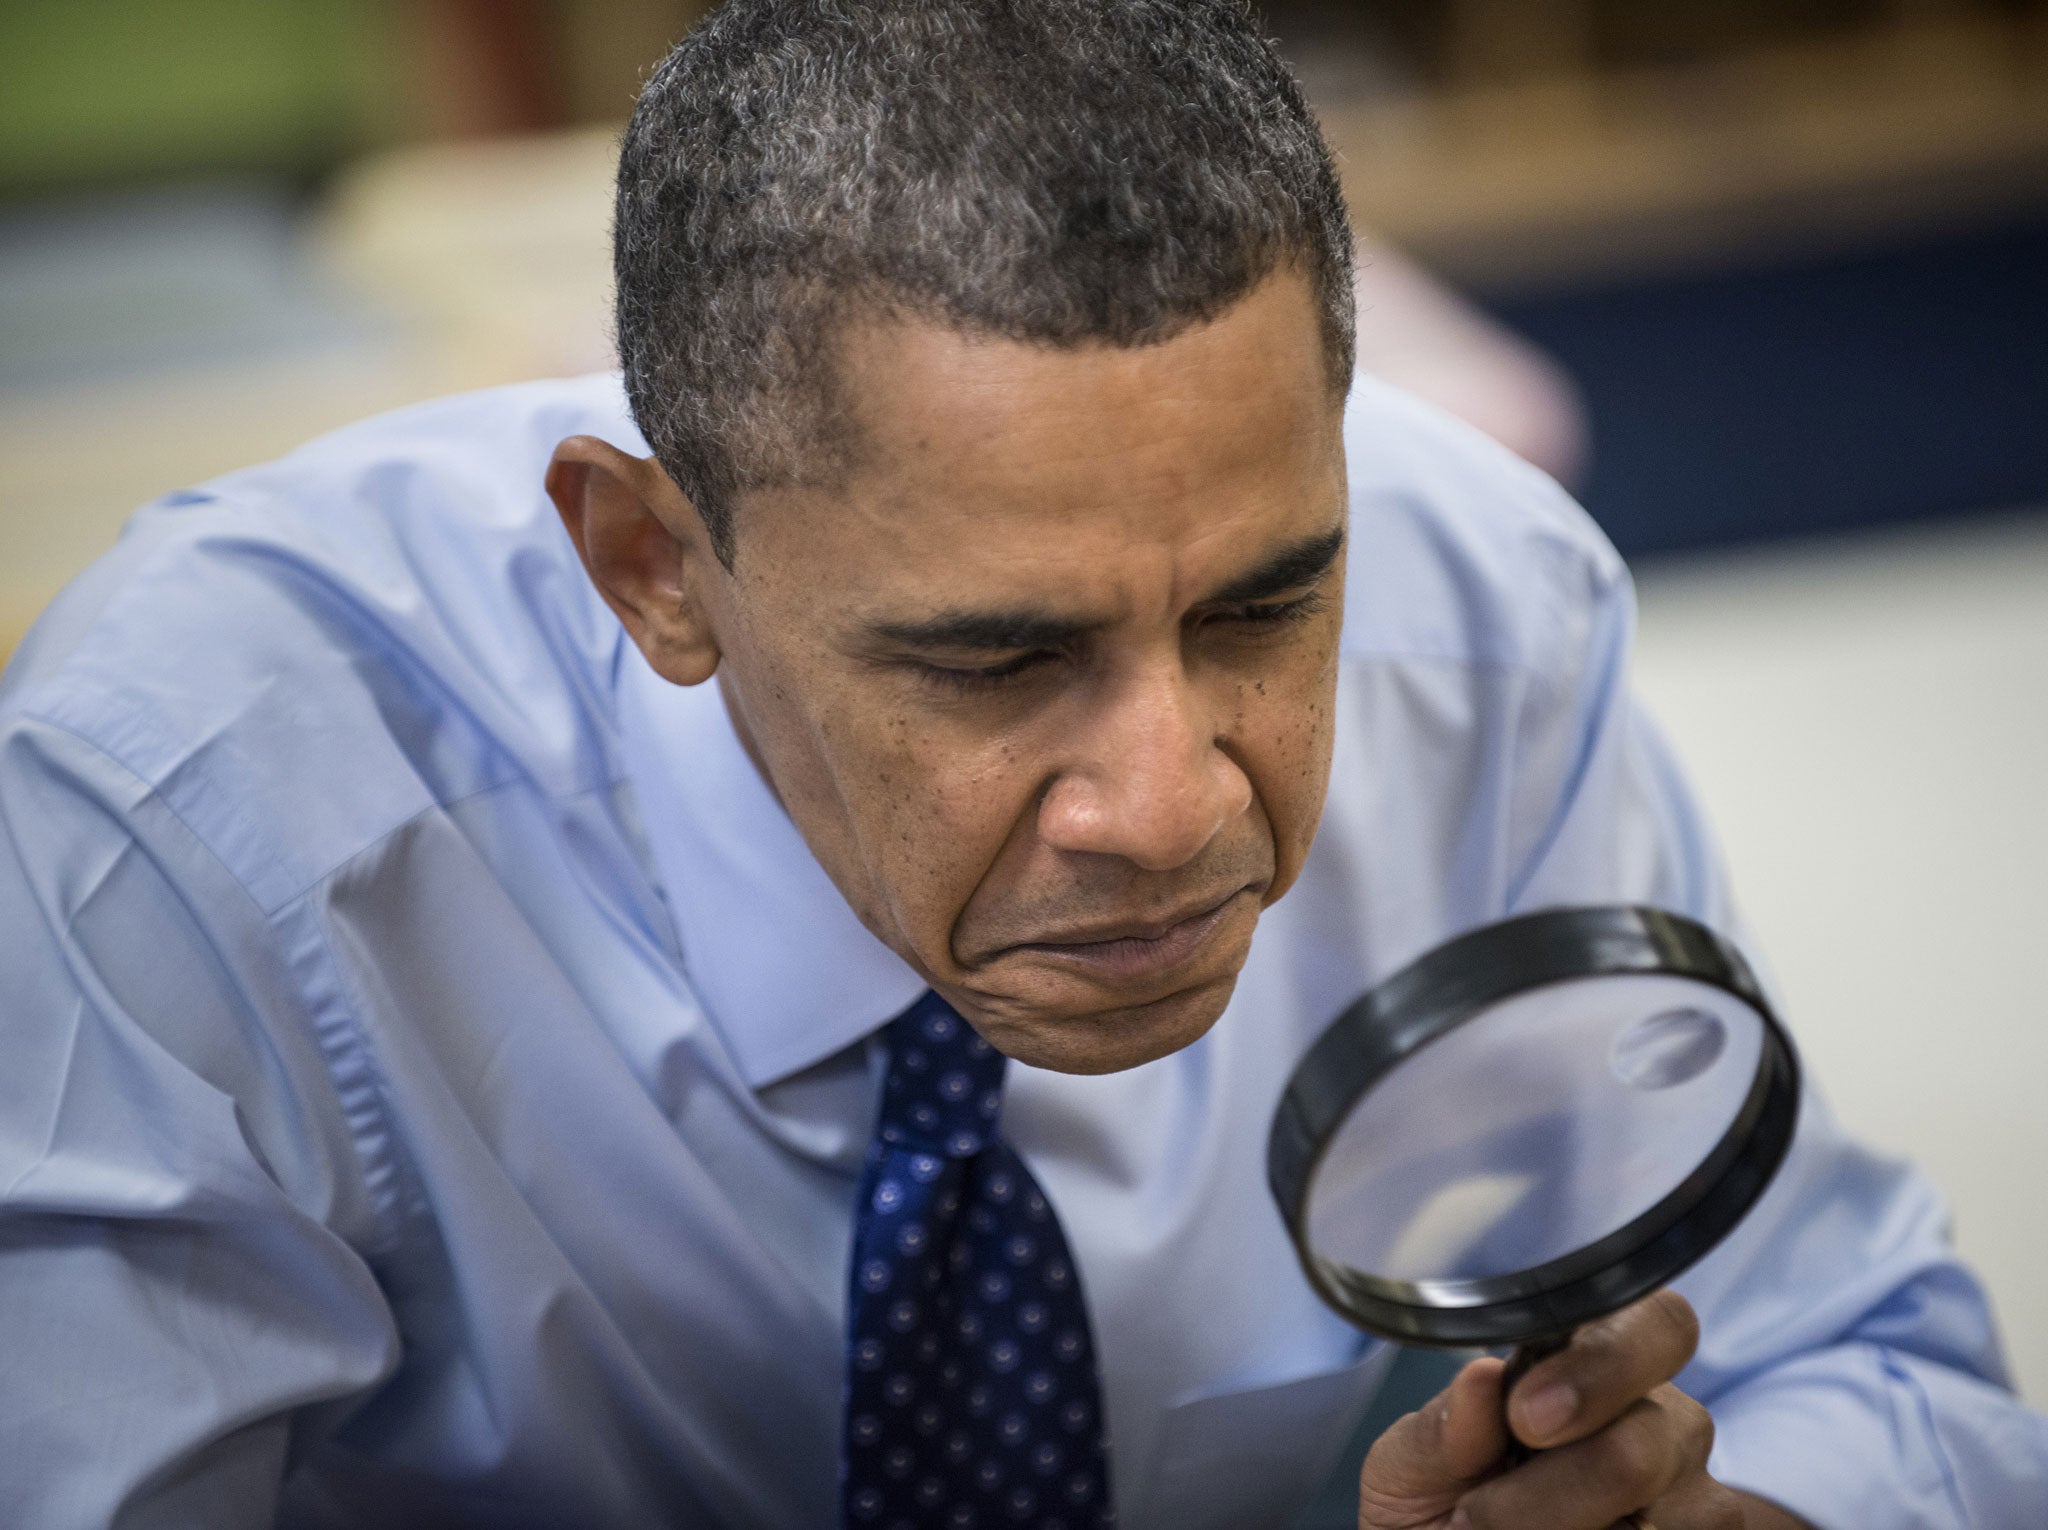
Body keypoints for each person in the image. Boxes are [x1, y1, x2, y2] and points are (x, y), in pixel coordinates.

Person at [0, 3, 2040, 1527]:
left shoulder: (1481, 616)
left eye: (1260, 609)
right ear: (652, 567)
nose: (1174, 814)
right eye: (993, 658)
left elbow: (1879, 1370)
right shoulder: (181, 822)